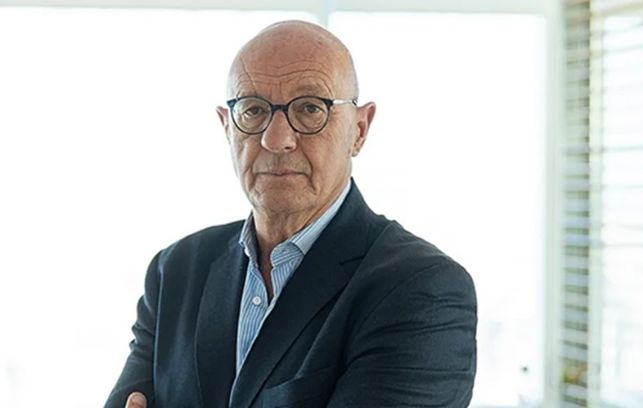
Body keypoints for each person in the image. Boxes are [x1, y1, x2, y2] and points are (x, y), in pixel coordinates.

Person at [106, 20, 477, 408]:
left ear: (359, 129)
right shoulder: (176, 271)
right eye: (253, 110)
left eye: (310, 109)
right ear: (227, 127)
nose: (276, 139)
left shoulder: (423, 289)